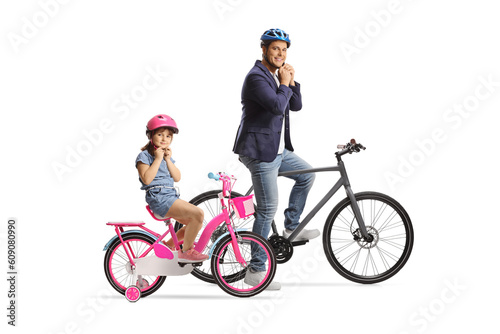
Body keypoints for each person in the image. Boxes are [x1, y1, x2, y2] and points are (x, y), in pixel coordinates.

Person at [233, 28, 320, 289]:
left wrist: (291, 81)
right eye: (275, 49)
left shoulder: (274, 75)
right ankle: (256, 271)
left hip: (278, 150)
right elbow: (277, 106)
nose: (280, 53)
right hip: (259, 152)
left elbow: (295, 105)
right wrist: (283, 82)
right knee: (267, 209)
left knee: (306, 174)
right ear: (264, 50)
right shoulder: (256, 77)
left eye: (284, 50)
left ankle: (291, 228)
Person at [136, 114, 208, 263]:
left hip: (170, 196)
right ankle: (186, 252)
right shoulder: (144, 156)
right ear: (151, 135)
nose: (164, 139)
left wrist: (167, 159)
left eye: (168, 136)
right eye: (160, 134)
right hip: (159, 198)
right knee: (198, 214)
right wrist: (157, 159)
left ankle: (167, 246)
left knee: (195, 222)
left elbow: (177, 177)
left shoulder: (166, 156)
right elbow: (147, 179)